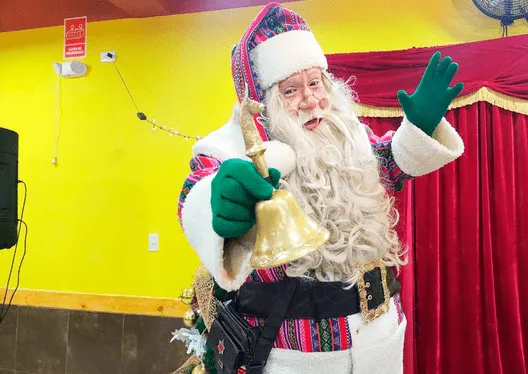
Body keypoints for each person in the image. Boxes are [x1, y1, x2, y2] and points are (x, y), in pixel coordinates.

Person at [177, 2, 464, 373]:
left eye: (315, 83)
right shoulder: (230, 148)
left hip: (379, 342)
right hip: (292, 357)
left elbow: (387, 164)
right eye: (291, 90)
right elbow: (197, 191)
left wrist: (419, 129)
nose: (312, 100)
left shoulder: (348, 137)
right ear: (263, 102)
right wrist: (219, 204)